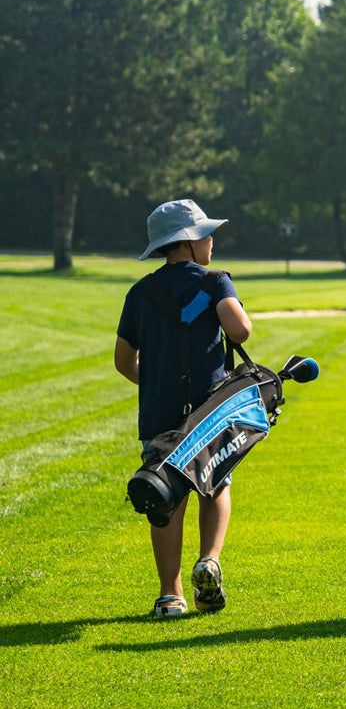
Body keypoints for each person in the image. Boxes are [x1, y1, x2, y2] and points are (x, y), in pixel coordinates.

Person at [114, 199, 253, 619]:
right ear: (191, 242)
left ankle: (169, 595)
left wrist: (153, 382)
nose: (211, 242)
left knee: (165, 499)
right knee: (217, 484)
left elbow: (123, 360)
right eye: (206, 235)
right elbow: (240, 329)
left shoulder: (140, 293)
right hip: (210, 413)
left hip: (159, 415)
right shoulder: (215, 282)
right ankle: (208, 560)